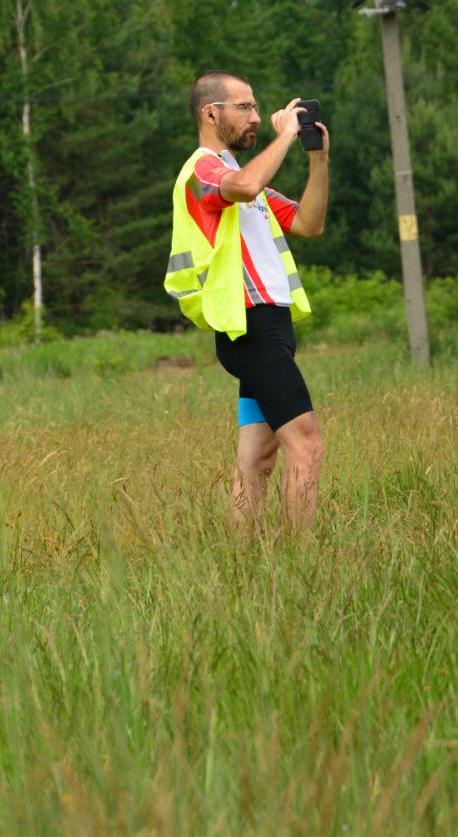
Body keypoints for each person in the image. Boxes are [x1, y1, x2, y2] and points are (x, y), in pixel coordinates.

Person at [165, 70, 329, 530]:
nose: (256, 117)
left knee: (258, 460)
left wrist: (318, 159)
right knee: (307, 445)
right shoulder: (203, 170)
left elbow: (309, 223)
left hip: (271, 326)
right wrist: (286, 135)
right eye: (244, 107)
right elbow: (244, 187)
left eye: (256, 107)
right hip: (250, 328)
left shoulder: (246, 183)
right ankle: (300, 562)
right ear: (211, 114)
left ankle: (241, 561)